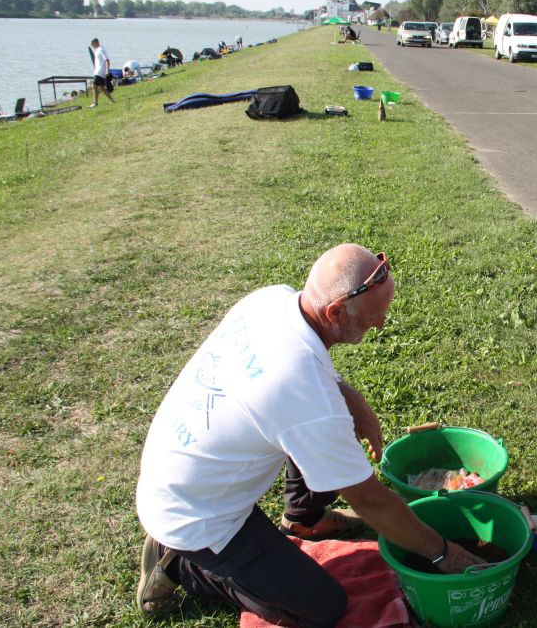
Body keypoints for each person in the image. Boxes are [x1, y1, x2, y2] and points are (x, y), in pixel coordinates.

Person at [135, 245, 485, 625]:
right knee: (321, 607)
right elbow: (371, 502)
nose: (381, 325)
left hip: (178, 469)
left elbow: (303, 381)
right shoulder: (303, 393)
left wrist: (352, 397)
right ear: (335, 311)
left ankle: (305, 518)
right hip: (198, 516)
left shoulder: (271, 301)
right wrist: (443, 554)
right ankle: (180, 566)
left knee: (326, 423)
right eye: (374, 318)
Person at [89, 38, 115, 107]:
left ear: (96, 43)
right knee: (102, 88)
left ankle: (95, 103)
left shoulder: (101, 49)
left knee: (94, 86)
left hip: (100, 72)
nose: (92, 46)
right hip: (97, 71)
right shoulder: (97, 50)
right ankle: (112, 100)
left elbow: (107, 59)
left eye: (92, 44)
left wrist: (107, 69)